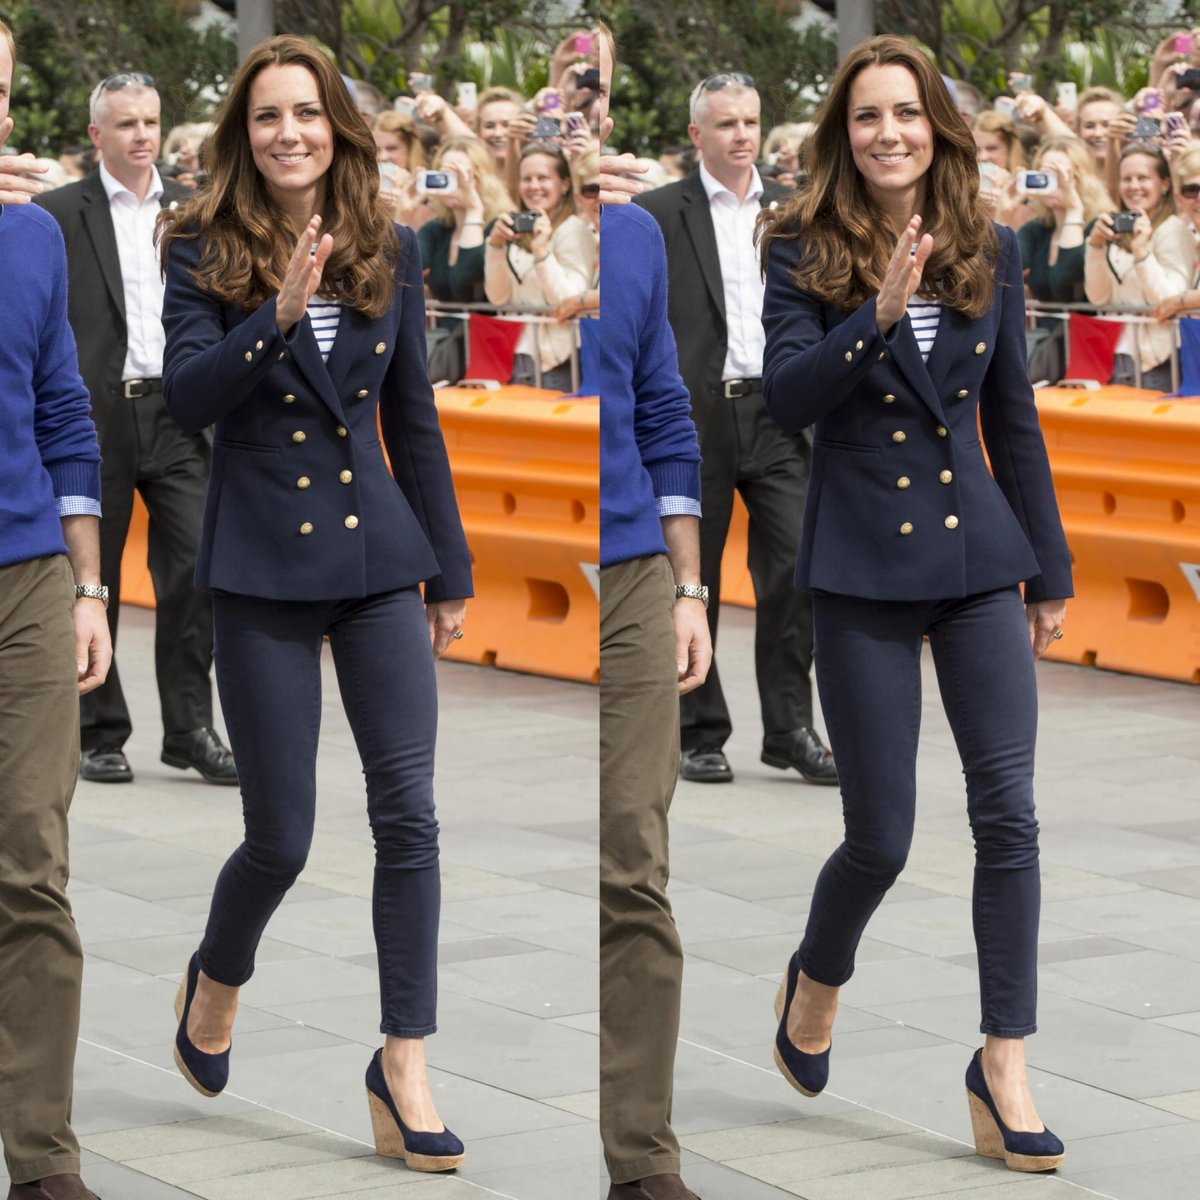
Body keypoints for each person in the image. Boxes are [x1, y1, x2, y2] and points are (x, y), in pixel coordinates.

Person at [156, 34, 472, 1173]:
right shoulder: (197, 243)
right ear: (244, 137)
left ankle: (404, 1062)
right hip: (260, 568)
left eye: (307, 113)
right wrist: (275, 316)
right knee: (279, 836)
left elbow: (413, 419)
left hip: (381, 561)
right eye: (266, 117)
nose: (289, 133)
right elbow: (188, 399)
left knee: (410, 817)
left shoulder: (385, 242)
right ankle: (216, 973)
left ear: (335, 125)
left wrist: (452, 569)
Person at [758, 35, 1073, 1174]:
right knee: (880, 836)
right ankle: (817, 973)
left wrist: (1051, 569)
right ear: (844, 136)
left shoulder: (986, 243)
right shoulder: (798, 243)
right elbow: (788, 399)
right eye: (866, 117)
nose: (888, 132)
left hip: (981, 564)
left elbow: (1014, 418)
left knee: (1010, 816)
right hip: (862, 570)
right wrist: (876, 314)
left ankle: (1004, 1061)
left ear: (936, 125)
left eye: (907, 113)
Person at [635, 71, 836, 788]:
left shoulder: (797, 208)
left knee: (793, 570)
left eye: (751, 121)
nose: (743, 135)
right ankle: (699, 730)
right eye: (726, 124)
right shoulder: (657, 212)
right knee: (697, 574)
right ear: (697, 134)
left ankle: (789, 729)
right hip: (693, 413)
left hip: (779, 411)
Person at [36, 72, 236, 787]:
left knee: (193, 570)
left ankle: (189, 729)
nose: (143, 135)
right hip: (93, 413)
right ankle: (100, 730)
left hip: (178, 412)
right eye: (125, 124)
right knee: (97, 575)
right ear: (97, 135)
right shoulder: (57, 211)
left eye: (151, 121)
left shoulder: (195, 208)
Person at [594, 22, 713, 1200]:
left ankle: (642, 1159)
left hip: (632, 571)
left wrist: (689, 584)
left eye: (593, 92)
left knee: (634, 863)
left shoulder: (636, 238)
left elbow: (666, 417)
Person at [0, 20, 111, 1200]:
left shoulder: (32, 236)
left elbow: (62, 411)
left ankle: (43, 1161)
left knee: (32, 865)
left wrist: (87, 584)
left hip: (30, 574)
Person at [484, 141, 597, 391]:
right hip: (517, 354)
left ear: (564, 184)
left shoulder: (574, 229)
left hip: (560, 360)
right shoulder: (516, 229)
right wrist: (495, 246)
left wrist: (542, 253)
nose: (534, 186)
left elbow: (567, 300)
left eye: (543, 178)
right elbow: (498, 297)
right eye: (527, 179)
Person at [1083, 142, 1194, 391]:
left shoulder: (1173, 230)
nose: (1133, 186)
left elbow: (1167, 299)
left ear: (1164, 184)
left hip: (1161, 359)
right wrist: (1097, 246)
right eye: (1126, 179)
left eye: (1143, 178)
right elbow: (1099, 297)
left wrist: (1142, 253)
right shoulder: (1118, 228)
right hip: (1119, 352)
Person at [418, 135, 513, 303]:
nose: (455, 183)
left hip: (489, 328)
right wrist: (403, 215)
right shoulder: (437, 229)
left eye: (461, 175)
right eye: (446, 175)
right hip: (446, 329)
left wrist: (473, 210)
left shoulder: (501, 226)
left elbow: (467, 282)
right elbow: (403, 267)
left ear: (481, 178)